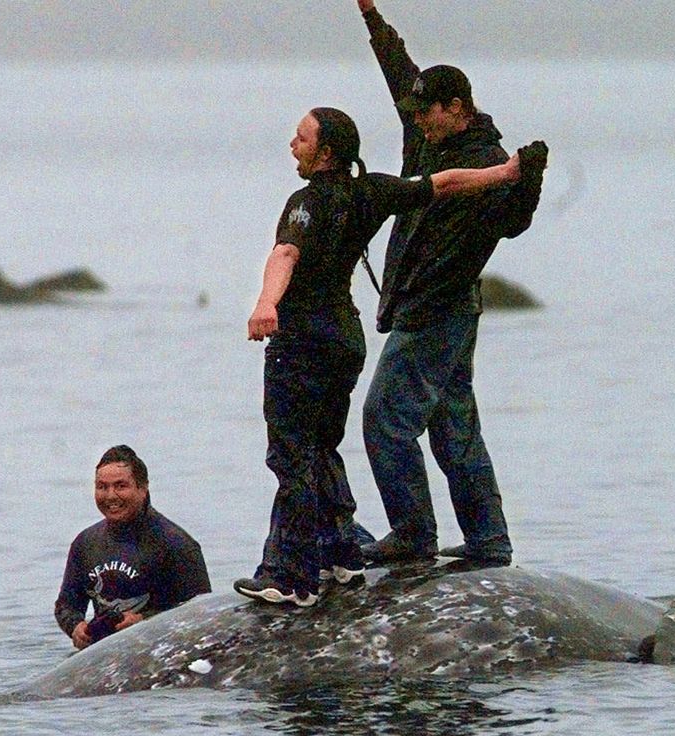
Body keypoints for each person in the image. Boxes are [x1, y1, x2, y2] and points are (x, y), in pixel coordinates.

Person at [234, 106, 546, 608]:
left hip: (303, 343)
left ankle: (290, 575)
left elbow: (285, 254)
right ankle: (342, 558)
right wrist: (505, 173)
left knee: (291, 456)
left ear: (326, 152)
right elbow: (442, 184)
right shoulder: (371, 191)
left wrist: (267, 302)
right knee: (323, 448)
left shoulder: (305, 203)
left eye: (301, 138)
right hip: (344, 339)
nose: (292, 145)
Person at [353, 0, 548, 567]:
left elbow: (512, 223)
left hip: (438, 312)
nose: (415, 122)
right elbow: (399, 71)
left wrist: (527, 182)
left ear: (456, 108)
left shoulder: (488, 161)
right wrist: (371, 16)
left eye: (426, 113)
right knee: (453, 424)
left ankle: (413, 534)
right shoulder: (426, 141)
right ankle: (489, 541)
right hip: (445, 311)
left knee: (385, 421)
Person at [55, 445, 211, 649]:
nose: (110, 496)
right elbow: (66, 605)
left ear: (143, 488)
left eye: (120, 486)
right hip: (105, 655)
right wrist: (76, 626)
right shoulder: (85, 543)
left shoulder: (176, 545)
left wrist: (145, 621)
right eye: (102, 487)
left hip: (163, 653)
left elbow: (201, 615)